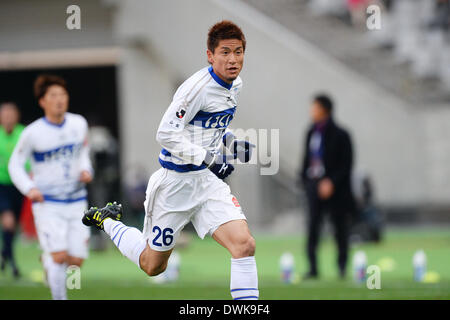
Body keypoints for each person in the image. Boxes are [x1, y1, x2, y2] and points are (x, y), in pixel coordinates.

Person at [82, 20, 259, 300]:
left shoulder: (235, 84)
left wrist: (231, 141)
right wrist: (210, 159)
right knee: (152, 265)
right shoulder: (195, 88)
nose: (233, 59)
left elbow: (214, 124)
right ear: (210, 56)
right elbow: (165, 133)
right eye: (225, 52)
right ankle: (107, 220)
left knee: (244, 245)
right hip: (174, 186)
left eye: (238, 52)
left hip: (207, 184)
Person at [8, 74, 93, 299]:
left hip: (76, 201)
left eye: (63, 95)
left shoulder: (79, 124)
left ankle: (49, 263)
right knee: (59, 256)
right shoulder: (32, 133)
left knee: (75, 261)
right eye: (53, 95)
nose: (59, 100)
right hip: (48, 203)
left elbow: (83, 152)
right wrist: (29, 188)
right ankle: (60, 295)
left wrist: (87, 170)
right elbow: (14, 165)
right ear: (42, 101)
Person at [299, 94, 355, 279]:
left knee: (339, 228)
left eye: (314, 107)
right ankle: (313, 268)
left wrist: (331, 181)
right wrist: (305, 180)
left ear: (324, 109)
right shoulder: (311, 132)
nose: (311, 111)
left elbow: (346, 165)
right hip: (314, 186)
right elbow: (307, 159)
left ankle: (341, 267)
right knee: (313, 227)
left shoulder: (341, 134)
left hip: (335, 189)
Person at [0, 102, 26, 278]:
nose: (8, 118)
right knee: (8, 221)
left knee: (13, 226)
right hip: (2, 185)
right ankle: (13, 262)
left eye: (11, 114)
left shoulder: (23, 134)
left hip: (20, 185)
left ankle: (5, 255)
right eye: (5, 114)